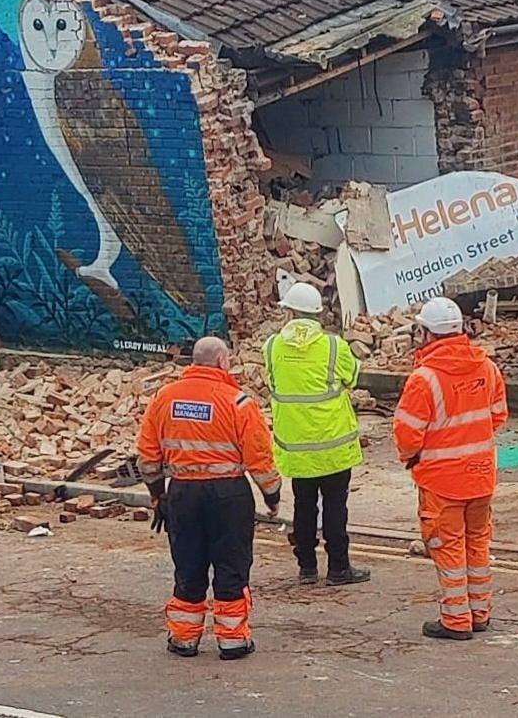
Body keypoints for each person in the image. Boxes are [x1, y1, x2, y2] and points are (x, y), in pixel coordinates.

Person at [138, 336, 283, 660]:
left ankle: (184, 638)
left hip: (182, 493)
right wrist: (272, 497)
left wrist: (158, 496)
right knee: (231, 565)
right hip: (228, 494)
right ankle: (232, 641)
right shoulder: (238, 403)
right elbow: (260, 458)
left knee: (188, 565)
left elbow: (147, 456)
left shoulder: (165, 398)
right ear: (221, 362)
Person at [392, 296, 508, 641]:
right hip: (481, 474)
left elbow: (407, 433)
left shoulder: (424, 379)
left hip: (442, 480)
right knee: (478, 546)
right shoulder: (486, 367)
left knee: (448, 547)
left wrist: (413, 459)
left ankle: (457, 620)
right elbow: (498, 415)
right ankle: (479, 612)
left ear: (427, 334)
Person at [266, 282, 371, 587]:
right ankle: (339, 567)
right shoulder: (334, 346)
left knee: (303, 504)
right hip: (334, 445)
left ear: (289, 312)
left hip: (297, 447)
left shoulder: (272, 346)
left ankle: (307, 567)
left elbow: (273, 383)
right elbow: (352, 378)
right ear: (317, 314)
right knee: (336, 507)